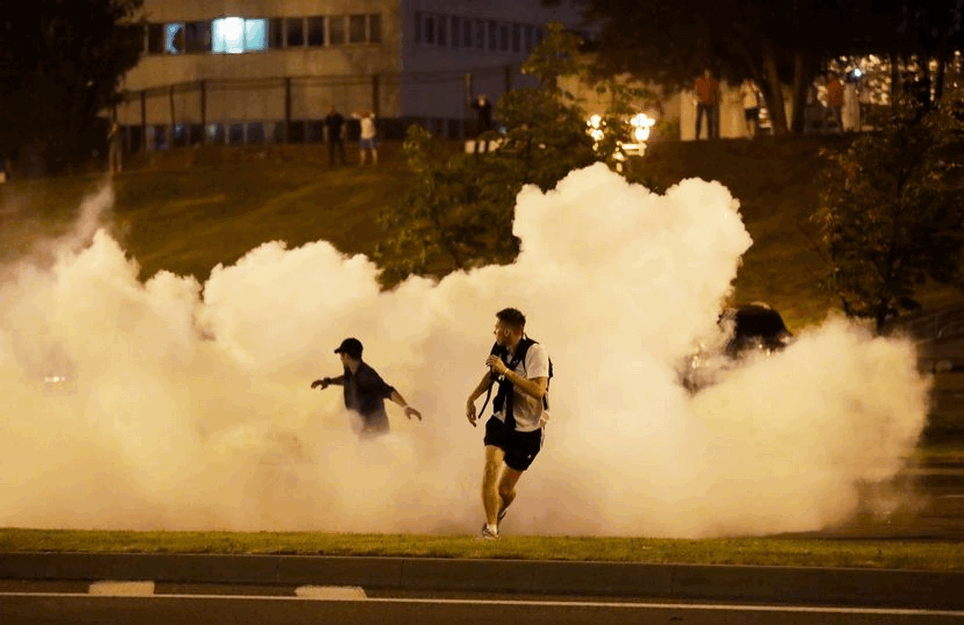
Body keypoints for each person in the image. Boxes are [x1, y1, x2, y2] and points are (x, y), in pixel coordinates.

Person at [465, 308, 551, 540]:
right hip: (501, 420)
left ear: (507, 331)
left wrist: (508, 372)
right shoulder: (499, 348)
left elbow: (538, 390)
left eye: (497, 329)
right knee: (490, 468)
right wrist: (472, 398)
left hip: (528, 429)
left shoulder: (535, 352)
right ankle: (491, 530)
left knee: (504, 490)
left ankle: (499, 512)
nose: (493, 332)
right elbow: (493, 374)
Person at [311, 337, 421, 437]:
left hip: (375, 431)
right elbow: (347, 380)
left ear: (346, 356)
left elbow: (388, 391)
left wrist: (405, 406)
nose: (341, 359)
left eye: (341, 355)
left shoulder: (368, 375)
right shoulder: (350, 370)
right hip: (364, 430)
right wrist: (329, 381)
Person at [693, 68, 720, 140]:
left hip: (709, 103)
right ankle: (697, 135)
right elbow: (695, 92)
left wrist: (715, 100)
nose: (707, 74)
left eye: (708, 72)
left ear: (710, 73)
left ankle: (710, 136)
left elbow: (716, 92)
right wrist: (698, 99)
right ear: (704, 73)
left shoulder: (713, 82)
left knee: (710, 119)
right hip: (701, 103)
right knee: (699, 118)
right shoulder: (699, 81)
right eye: (706, 72)